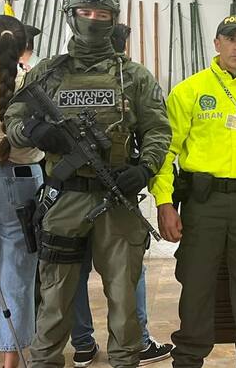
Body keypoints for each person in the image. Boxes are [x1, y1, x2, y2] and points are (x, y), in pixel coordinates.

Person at [4, 0, 171, 368]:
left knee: (124, 300)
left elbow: (158, 130)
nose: (94, 20)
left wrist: (145, 169)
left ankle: (125, 360)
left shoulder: (134, 76)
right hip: (64, 198)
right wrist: (35, 131)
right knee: (54, 297)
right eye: (86, 13)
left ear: (113, 20)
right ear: (71, 16)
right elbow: (13, 121)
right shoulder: (48, 72)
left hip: (117, 199)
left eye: (102, 15)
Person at [151, 14, 236, 367]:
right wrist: (164, 202)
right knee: (196, 284)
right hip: (203, 203)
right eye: (230, 39)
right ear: (217, 43)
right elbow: (165, 151)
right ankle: (188, 359)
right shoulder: (189, 91)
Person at [69, 23, 173, 368]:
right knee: (127, 272)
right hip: (104, 191)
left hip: (87, 191)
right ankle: (136, 342)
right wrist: (144, 168)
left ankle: (83, 343)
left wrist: (143, 170)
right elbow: (155, 131)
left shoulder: (68, 75)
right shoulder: (131, 79)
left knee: (76, 269)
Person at [0, 15, 43, 368]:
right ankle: (12, 361)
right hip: (22, 182)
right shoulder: (35, 87)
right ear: (24, 48)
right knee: (19, 274)